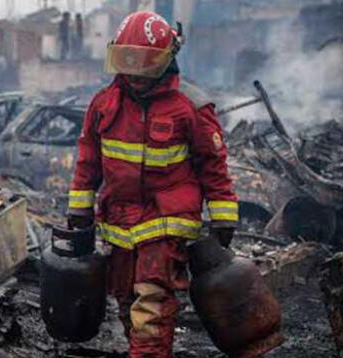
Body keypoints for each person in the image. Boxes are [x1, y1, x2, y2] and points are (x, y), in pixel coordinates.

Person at [67, 11, 239, 358]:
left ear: (166, 60)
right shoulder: (104, 104)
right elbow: (88, 161)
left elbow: (213, 166)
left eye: (143, 62)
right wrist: (79, 210)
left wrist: (223, 215)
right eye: (126, 59)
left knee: (153, 301)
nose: (133, 72)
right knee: (127, 300)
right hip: (119, 221)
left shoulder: (190, 107)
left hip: (167, 221)